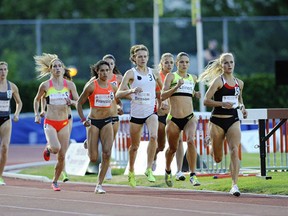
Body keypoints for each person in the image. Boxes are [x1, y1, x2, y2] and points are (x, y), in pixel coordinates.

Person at [198, 52, 248, 197]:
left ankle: (234, 185)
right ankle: (212, 145)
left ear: (234, 64)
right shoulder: (218, 82)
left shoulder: (240, 83)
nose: (229, 65)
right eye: (225, 62)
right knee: (218, 158)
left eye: (231, 62)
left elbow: (240, 100)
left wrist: (243, 108)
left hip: (233, 120)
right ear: (221, 65)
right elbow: (206, 101)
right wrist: (221, 104)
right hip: (217, 121)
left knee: (234, 149)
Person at [116, 44, 162, 187]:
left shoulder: (153, 73)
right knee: (134, 146)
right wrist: (132, 91)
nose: (143, 59)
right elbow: (118, 94)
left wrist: (163, 102)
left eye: (145, 56)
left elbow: (162, 90)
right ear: (134, 58)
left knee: (154, 136)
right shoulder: (130, 73)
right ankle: (131, 170)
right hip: (136, 114)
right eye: (139, 56)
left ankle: (148, 169)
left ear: (148, 57)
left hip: (151, 111)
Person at [33, 53, 79, 191]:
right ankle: (48, 148)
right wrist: (37, 114)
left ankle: (55, 181)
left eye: (60, 66)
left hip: (64, 122)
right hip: (50, 122)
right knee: (55, 148)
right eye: (54, 66)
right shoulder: (46, 85)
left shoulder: (70, 85)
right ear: (51, 69)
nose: (57, 68)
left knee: (62, 155)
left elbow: (78, 102)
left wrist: (72, 102)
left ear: (64, 69)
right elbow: (36, 99)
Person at [77, 60, 120, 194]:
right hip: (93, 122)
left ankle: (99, 185)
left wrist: (119, 108)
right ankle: (88, 143)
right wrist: (83, 119)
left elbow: (116, 102)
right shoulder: (91, 86)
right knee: (93, 158)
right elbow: (79, 103)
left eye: (107, 70)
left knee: (107, 153)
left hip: (107, 121)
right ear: (97, 71)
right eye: (102, 70)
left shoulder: (112, 87)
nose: (105, 73)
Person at [161, 52, 201, 187]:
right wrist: (176, 86)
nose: (184, 64)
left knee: (190, 141)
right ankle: (167, 170)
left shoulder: (193, 78)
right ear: (176, 63)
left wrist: (196, 94)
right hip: (174, 119)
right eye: (181, 62)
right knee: (172, 148)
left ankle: (193, 174)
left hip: (190, 117)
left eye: (187, 62)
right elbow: (162, 95)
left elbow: (189, 93)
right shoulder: (171, 76)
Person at [153, 53, 186, 181]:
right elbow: (156, 94)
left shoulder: (176, 76)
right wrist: (161, 101)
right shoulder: (158, 76)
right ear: (161, 63)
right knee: (161, 146)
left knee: (179, 141)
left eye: (171, 63)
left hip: (174, 114)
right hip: (160, 114)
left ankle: (179, 171)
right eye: (166, 62)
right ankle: (154, 156)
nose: (169, 65)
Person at [0, 61, 22, 186]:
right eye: (0, 69)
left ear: (7, 71)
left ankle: (0, 176)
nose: (2, 72)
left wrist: (17, 113)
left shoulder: (12, 86)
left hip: (6, 119)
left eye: (4, 69)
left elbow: (19, 102)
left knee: (4, 148)